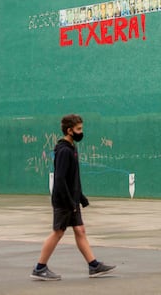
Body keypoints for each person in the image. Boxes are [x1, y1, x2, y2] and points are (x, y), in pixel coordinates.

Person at [30, 114, 116, 281]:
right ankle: (39, 268)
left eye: (81, 129)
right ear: (69, 130)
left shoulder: (71, 148)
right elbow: (60, 179)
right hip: (64, 201)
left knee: (80, 230)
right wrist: (70, 202)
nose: (81, 132)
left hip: (72, 199)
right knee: (58, 233)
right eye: (78, 129)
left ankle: (94, 266)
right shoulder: (63, 151)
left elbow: (72, 178)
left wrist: (80, 198)